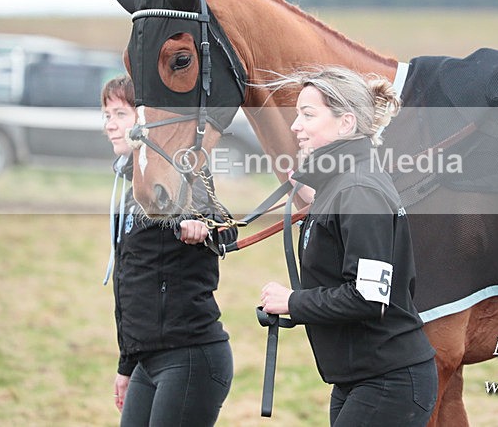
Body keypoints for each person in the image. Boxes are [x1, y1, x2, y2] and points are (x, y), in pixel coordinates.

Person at [260, 66, 438, 426]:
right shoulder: (342, 186)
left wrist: (292, 302)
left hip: (389, 382)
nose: (295, 126)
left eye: (308, 115)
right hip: (359, 380)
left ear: (345, 123)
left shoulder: (358, 190)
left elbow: (368, 296)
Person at [101, 75, 235, 427]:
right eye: (107, 116)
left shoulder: (182, 173)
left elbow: (222, 225)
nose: (110, 125)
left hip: (190, 358)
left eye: (120, 115)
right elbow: (132, 284)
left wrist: (197, 225)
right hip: (146, 361)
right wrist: (127, 365)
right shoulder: (133, 192)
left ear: (147, 120)